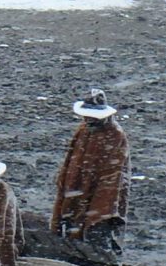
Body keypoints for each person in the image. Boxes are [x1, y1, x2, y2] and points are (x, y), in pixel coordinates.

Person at [50, 88, 131, 255]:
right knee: (73, 228)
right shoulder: (84, 129)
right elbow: (72, 158)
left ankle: (101, 263)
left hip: (102, 195)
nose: (88, 119)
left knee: (97, 229)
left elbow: (113, 176)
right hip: (79, 188)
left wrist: (99, 204)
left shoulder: (115, 135)